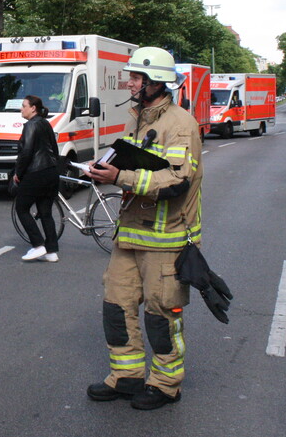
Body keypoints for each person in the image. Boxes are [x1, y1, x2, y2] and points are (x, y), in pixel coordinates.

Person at [85, 46, 203, 411]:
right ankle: (127, 377)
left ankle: (167, 385)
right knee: (116, 306)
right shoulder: (138, 118)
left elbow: (177, 180)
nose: (130, 82)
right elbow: (134, 163)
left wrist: (121, 175)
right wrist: (106, 167)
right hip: (132, 234)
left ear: (156, 82)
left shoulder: (180, 124)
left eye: (136, 77)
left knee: (160, 314)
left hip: (165, 239)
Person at [14, 95, 61, 262]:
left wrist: (18, 173)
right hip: (51, 172)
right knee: (46, 212)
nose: (21, 108)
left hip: (35, 173)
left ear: (33, 108)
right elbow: (54, 149)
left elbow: (26, 153)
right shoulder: (45, 123)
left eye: (23, 105)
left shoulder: (30, 126)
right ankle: (52, 251)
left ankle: (38, 245)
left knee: (22, 208)